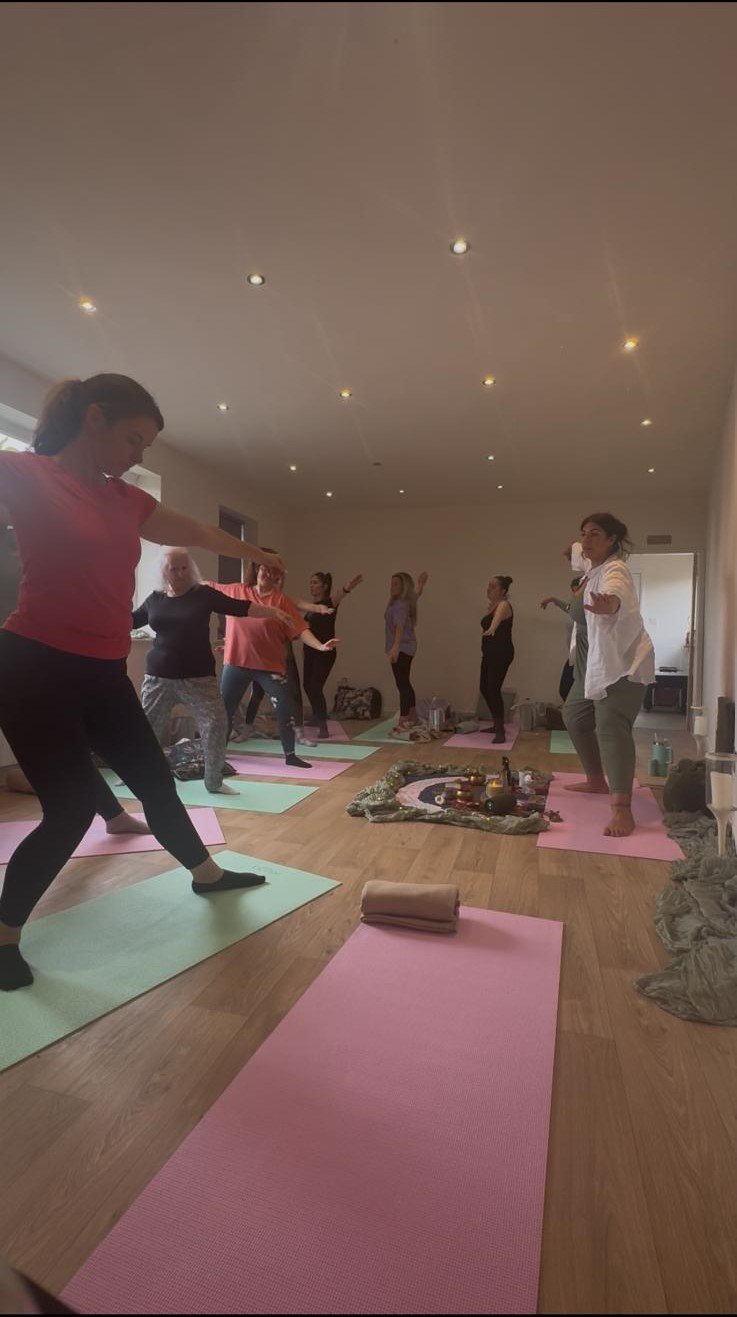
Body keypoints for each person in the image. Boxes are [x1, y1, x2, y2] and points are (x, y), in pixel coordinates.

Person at [0, 373, 285, 992]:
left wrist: (258, 557)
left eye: (145, 448)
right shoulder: (22, 474)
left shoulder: (125, 500)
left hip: (103, 668)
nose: (136, 457)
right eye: (133, 439)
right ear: (95, 419)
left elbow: (196, 531)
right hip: (33, 665)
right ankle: (4, 935)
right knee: (71, 809)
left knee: (156, 783)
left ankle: (204, 874)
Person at [134, 547, 292, 792]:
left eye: (184, 567)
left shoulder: (203, 594)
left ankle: (214, 781)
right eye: (173, 568)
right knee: (148, 730)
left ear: (191, 568)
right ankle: (140, 777)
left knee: (216, 726)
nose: (179, 573)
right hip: (158, 678)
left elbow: (242, 607)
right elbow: (131, 620)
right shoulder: (155, 598)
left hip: (199, 678)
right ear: (163, 571)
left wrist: (275, 612)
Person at [560, 513, 655, 837]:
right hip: (590, 667)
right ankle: (596, 780)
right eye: (583, 534)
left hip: (620, 667)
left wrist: (610, 605)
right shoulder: (591, 566)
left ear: (612, 539)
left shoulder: (615, 570)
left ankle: (622, 810)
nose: (586, 541)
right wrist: (572, 549)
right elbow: (578, 551)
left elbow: (619, 597)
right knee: (574, 716)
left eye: (594, 534)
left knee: (611, 729)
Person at [212, 555, 340, 768]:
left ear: (279, 577)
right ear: (257, 569)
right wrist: (185, 578)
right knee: (225, 709)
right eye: (265, 569)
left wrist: (320, 646)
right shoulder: (237, 591)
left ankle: (290, 756)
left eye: (274, 572)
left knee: (284, 708)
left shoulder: (282, 601)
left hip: (269, 667)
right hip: (236, 663)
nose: (268, 574)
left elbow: (301, 629)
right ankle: (218, 757)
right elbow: (208, 587)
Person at [302, 571, 363, 736]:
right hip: (309, 651)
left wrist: (349, 586)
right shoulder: (310, 608)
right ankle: (316, 716)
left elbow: (341, 594)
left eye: (315, 582)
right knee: (307, 686)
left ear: (324, 586)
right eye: (311, 582)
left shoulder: (329, 603)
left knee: (315, 687)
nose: (312, 585)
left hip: (325, 652)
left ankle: (323, 726)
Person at [385, 571, 428, 728]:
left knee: (402, 683)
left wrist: (395, 647)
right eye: (391, 583)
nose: (392, 587)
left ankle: (404, 719)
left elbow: (400, 626)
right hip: (405, 646)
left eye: (396, 584)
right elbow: (416, 595)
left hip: (403, 647)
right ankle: (413, 716)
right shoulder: (404, 602)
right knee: (404, 682)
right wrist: (421, 585)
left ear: (403, 587)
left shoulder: (400, 605)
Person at [479, 576, 515, 743]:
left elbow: (495, 622)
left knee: (493, 688)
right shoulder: (492, 606)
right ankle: (496, 723)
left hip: (501, 653)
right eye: (488, 586)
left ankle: (500, 731)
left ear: (503, 591)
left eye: (493, 587)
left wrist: (491, 629)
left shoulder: (503, 605)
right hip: (490, 652)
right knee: (484, 688)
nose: (488, 589)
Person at [540, 575, 584, 703]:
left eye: (578, 591)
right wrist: (552, 599)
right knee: (565, 690)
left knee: (570, 690)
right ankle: (572, 717)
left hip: (583, 657)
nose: (575, 594)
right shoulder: (574, 607)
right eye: (573, 591)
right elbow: (567, 608)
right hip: (573, 656)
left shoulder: (588, 609)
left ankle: (577, 718)